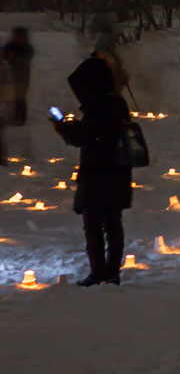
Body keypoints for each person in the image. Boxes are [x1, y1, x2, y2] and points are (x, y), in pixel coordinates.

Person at [53, 57, 134, 286]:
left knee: (94, 225)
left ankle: (99, 271)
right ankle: (112, 272)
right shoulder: (116, 103)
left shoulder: (98, 106)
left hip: (98, 173)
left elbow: (85, 136)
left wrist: (63, 128)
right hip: (117, 172)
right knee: (112, 223)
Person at [2, 27, 35, 160]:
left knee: (19, 98)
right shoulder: (8, 47)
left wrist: (14, 58)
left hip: (20, 78)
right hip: (8, 78)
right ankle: (11, 118)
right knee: (9, 98)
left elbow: (23, 61)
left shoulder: (26, 48)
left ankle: (20, 119)